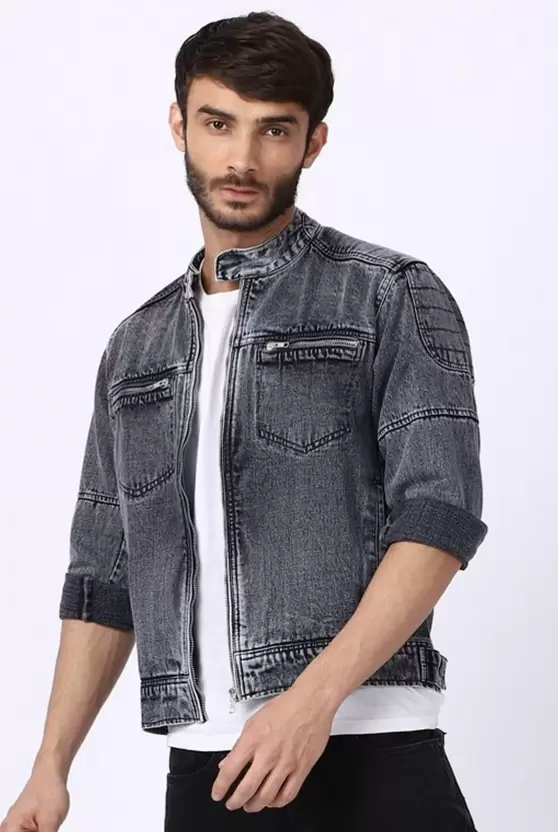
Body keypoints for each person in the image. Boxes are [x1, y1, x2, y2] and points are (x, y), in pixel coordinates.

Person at [1, 11, 488, 832]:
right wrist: (50, 768)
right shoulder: (136, 345)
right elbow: (103, 575)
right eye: (219, 123)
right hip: (206, 768)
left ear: (313, 142)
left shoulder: (389, 293)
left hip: (369, 748)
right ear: (179, 126)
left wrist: (311, 702)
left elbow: (439, 517)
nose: (242, 160)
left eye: (275, 130)